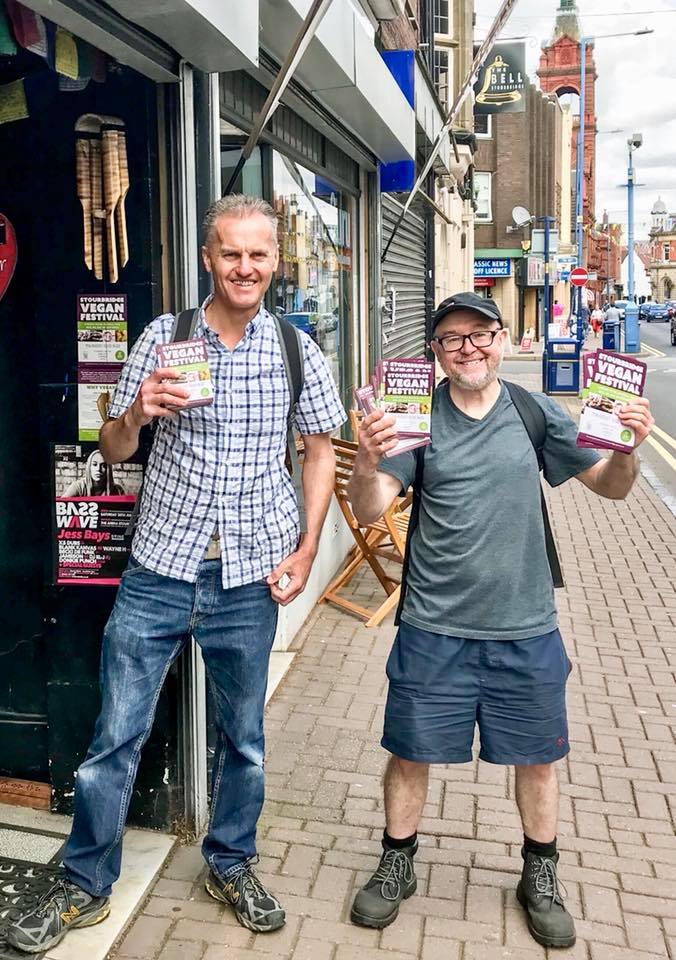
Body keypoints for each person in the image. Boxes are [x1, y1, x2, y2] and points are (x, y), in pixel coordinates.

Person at [8, 195, 345, 954]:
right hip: (160, 567)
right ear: (207, 258)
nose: (245, 267)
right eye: (232, 253)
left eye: (259, 254)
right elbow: (112, 447)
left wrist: (304, 549)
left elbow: (320, 450)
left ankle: (230, 862)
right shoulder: (165, 337)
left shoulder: (297, 350)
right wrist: (138, 413)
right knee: (115, 735)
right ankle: (85, 883)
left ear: (276, 261)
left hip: (250, 576)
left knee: (244, 739)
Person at [347, 292, 653, 949]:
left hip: (525, 625)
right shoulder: (414, 417)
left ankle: (539, 874)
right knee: (410, 752)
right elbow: (370, 509)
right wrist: (367, 458)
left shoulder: (533, 410)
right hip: (433, 624)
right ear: (436, 352)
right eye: (453, 338)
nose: (469, 348)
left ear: (503, 340)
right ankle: (397, 859)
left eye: (480, 334)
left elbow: (611, 485)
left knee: (538, 759)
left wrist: (629, 450)